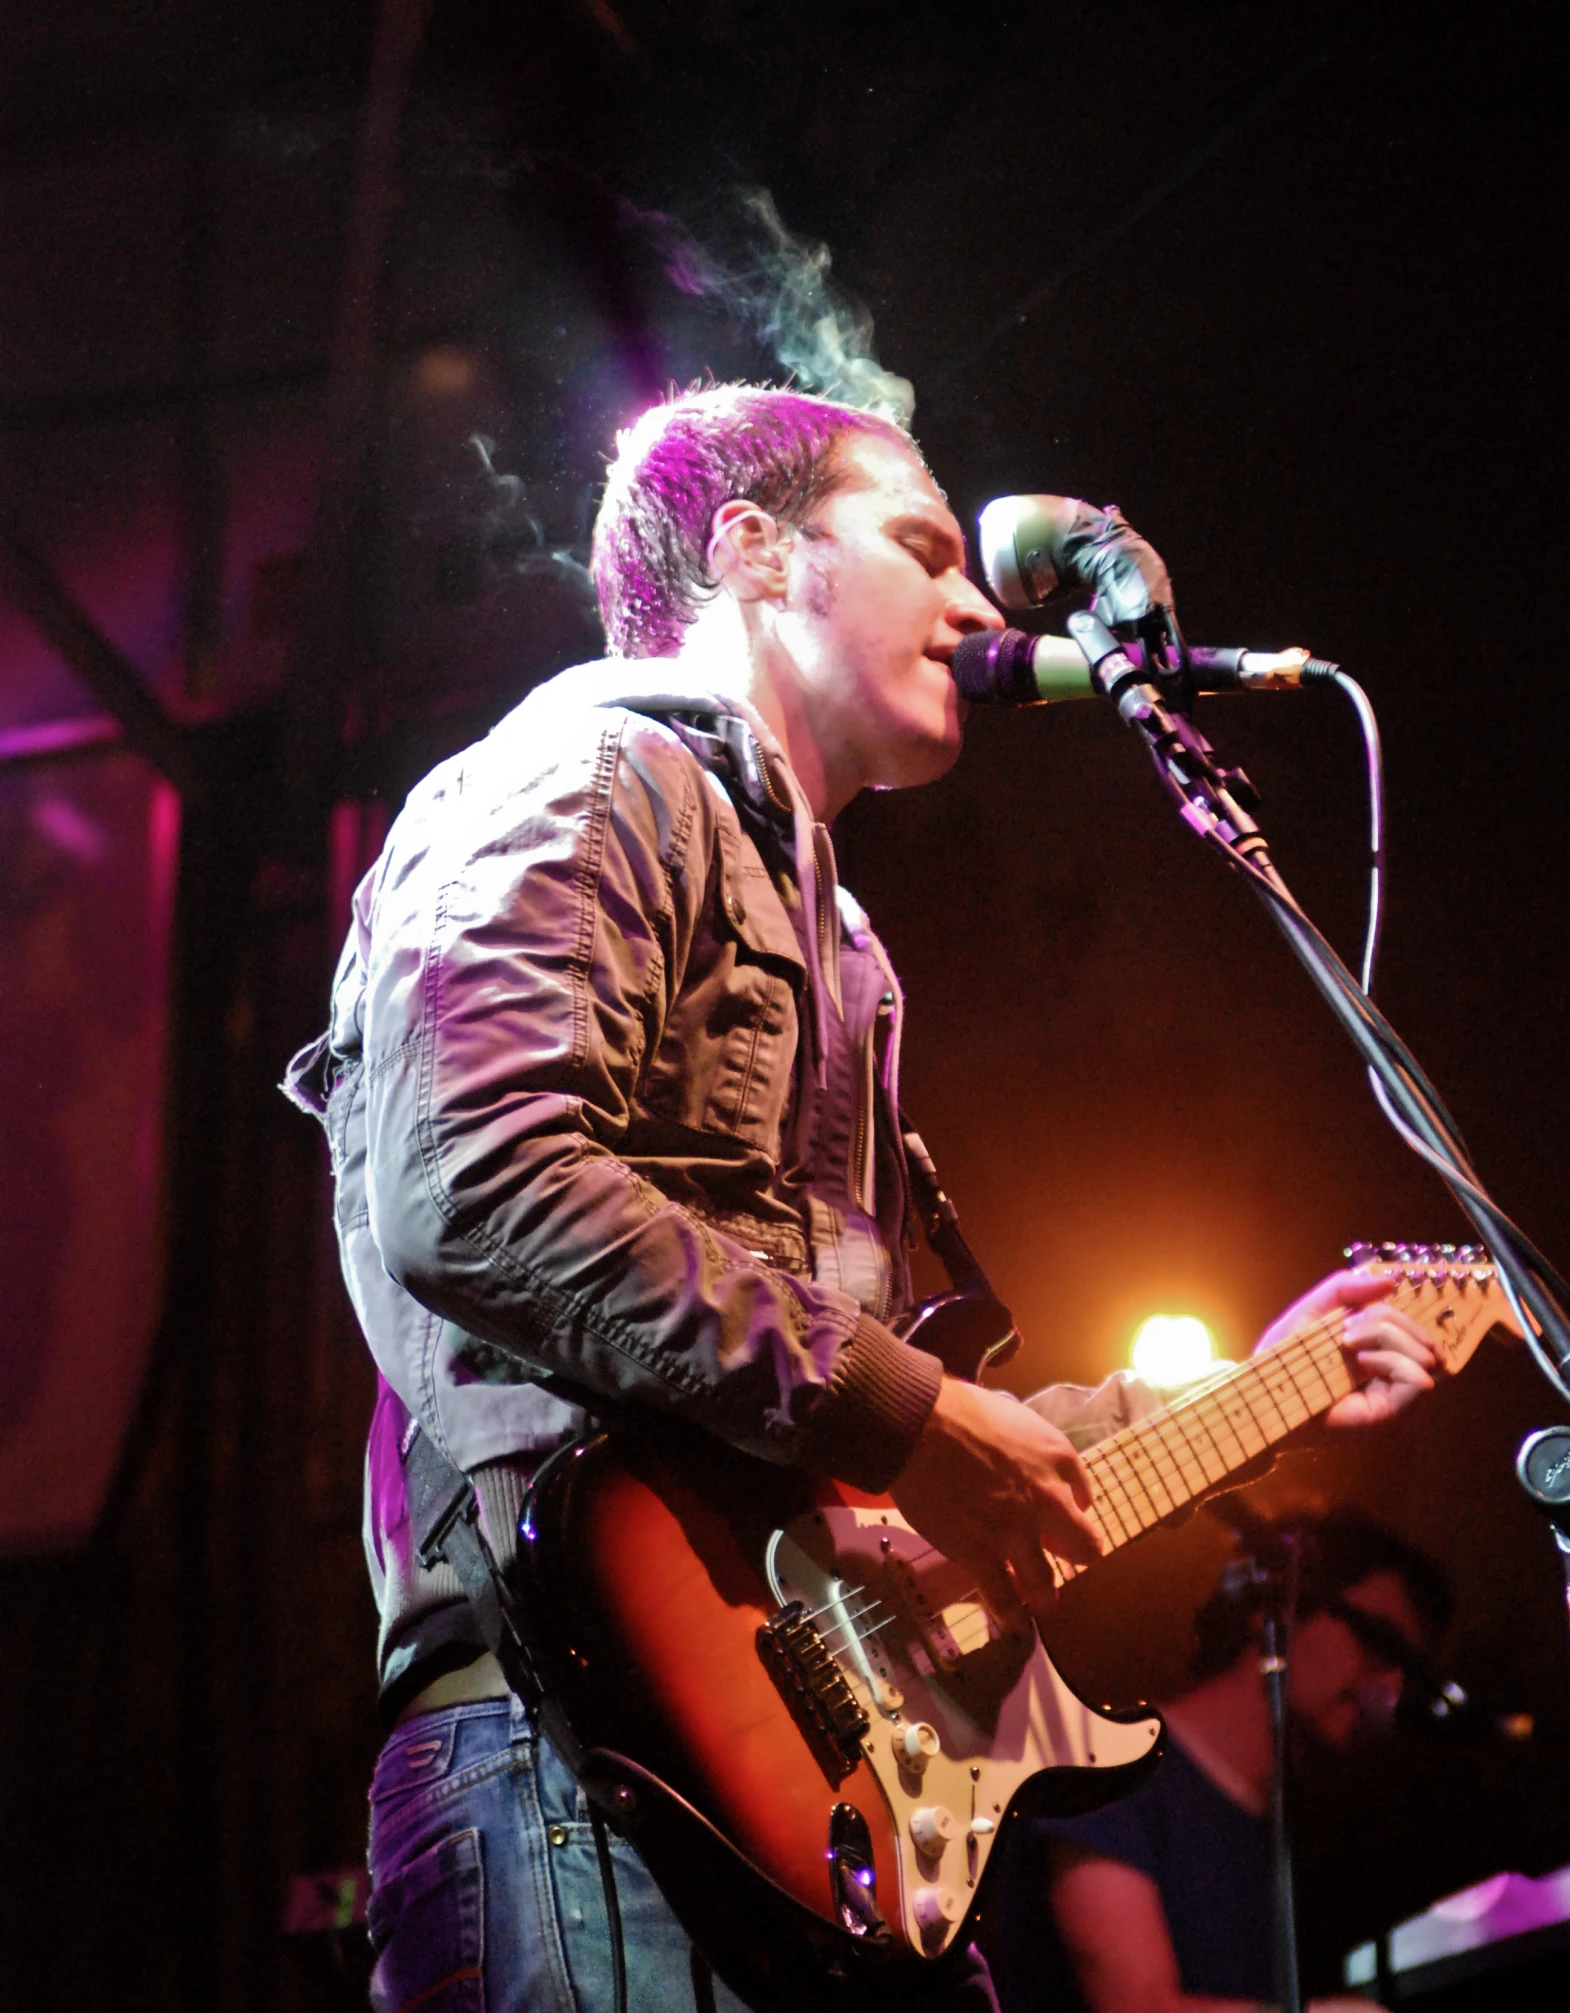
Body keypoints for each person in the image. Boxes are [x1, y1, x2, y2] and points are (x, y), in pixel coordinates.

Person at [285, 385, 1438, 2013]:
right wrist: (903, 1413)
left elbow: (887, 1460)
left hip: (822, 1818)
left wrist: (1275, 1389)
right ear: (753, 553)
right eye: (922, 547)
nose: (977, 604)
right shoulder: (591, 775)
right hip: (576, 1751)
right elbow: (468, 1177)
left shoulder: (848, 950)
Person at [987, 1511, 1452, 2013]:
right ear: (1273, 1608)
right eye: (1377, 1642)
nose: (1389, 1688)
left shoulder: (1287, 1829)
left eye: (1406, 1672)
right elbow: (1136, 2006)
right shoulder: (1115, 1763)